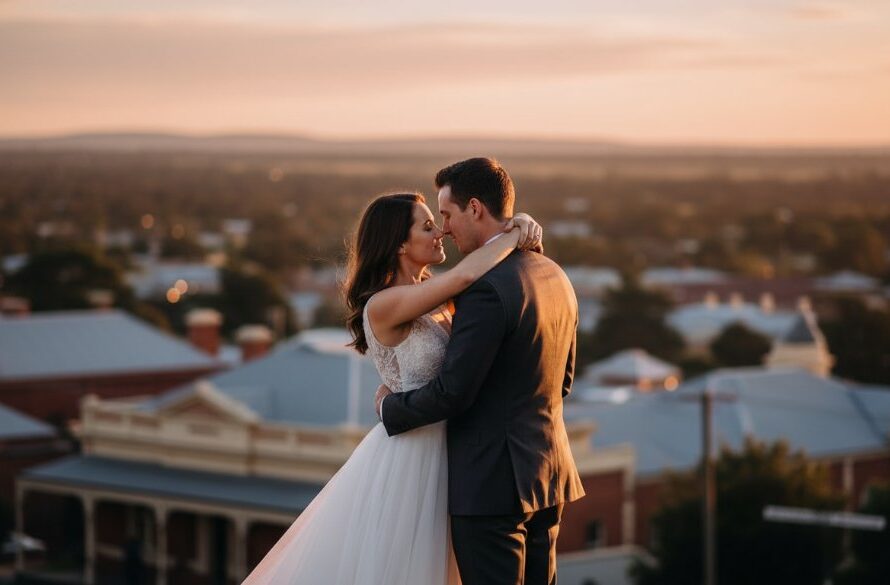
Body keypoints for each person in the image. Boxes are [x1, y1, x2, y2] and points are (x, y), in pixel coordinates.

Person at [241, 187, 543, 585]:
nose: (442, 234)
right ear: (400, 243)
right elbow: (469, 272)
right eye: (428, 226)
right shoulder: (384, 304)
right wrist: (513, 233)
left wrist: (523, 235)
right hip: (414, 454)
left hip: (457, 450)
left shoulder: (437, 295)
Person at [377, 157, 585, 585]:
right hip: (548, 473)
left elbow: (454, 392)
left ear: (475, 208)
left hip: (491, 484)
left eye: (448, 215)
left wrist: (389, 409)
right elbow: (562, 381)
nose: (445, 229)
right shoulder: (554, 273)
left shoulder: (485, 289)